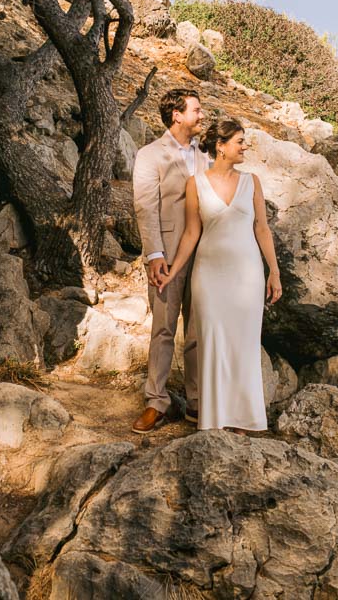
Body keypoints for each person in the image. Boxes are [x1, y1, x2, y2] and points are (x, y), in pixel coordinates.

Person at [158, 118, 282, 432]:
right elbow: (191, 233)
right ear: (221, 146)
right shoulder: (195, 183)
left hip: (248, 275)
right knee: (212, 344)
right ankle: (215, 419)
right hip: (209, 276)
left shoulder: (252, 182)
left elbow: (262, 229)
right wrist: (172, 272)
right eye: (240, 141)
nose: (245, 146)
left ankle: (244, 419)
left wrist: (274, 272)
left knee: (243, 345)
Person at [131, 88, 209, 434]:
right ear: (177, 115)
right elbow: (145, 206)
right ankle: (156, 401)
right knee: (163, 327)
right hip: (166, 253)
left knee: (198, 327)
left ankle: (197, 401)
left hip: (204, 253)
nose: (202, 115)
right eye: (196, 109)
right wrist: (154, 254)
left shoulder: (205, 155)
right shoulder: (150, 154)